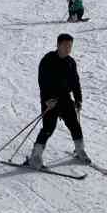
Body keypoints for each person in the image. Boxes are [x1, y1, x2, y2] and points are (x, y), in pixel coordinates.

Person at [28, 33, 90, 170]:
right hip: (50, 100)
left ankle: (80, 150)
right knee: (48, 128)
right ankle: (35, 156)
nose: (68, 48)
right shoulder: (48, 60)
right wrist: (47, 100)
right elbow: (42, 82)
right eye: (65, 45)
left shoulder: (70, 62)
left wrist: (78, 99)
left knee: (74, 124)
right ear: (58, 45)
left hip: (65, 99)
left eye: (70, 46)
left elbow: (75, 82)